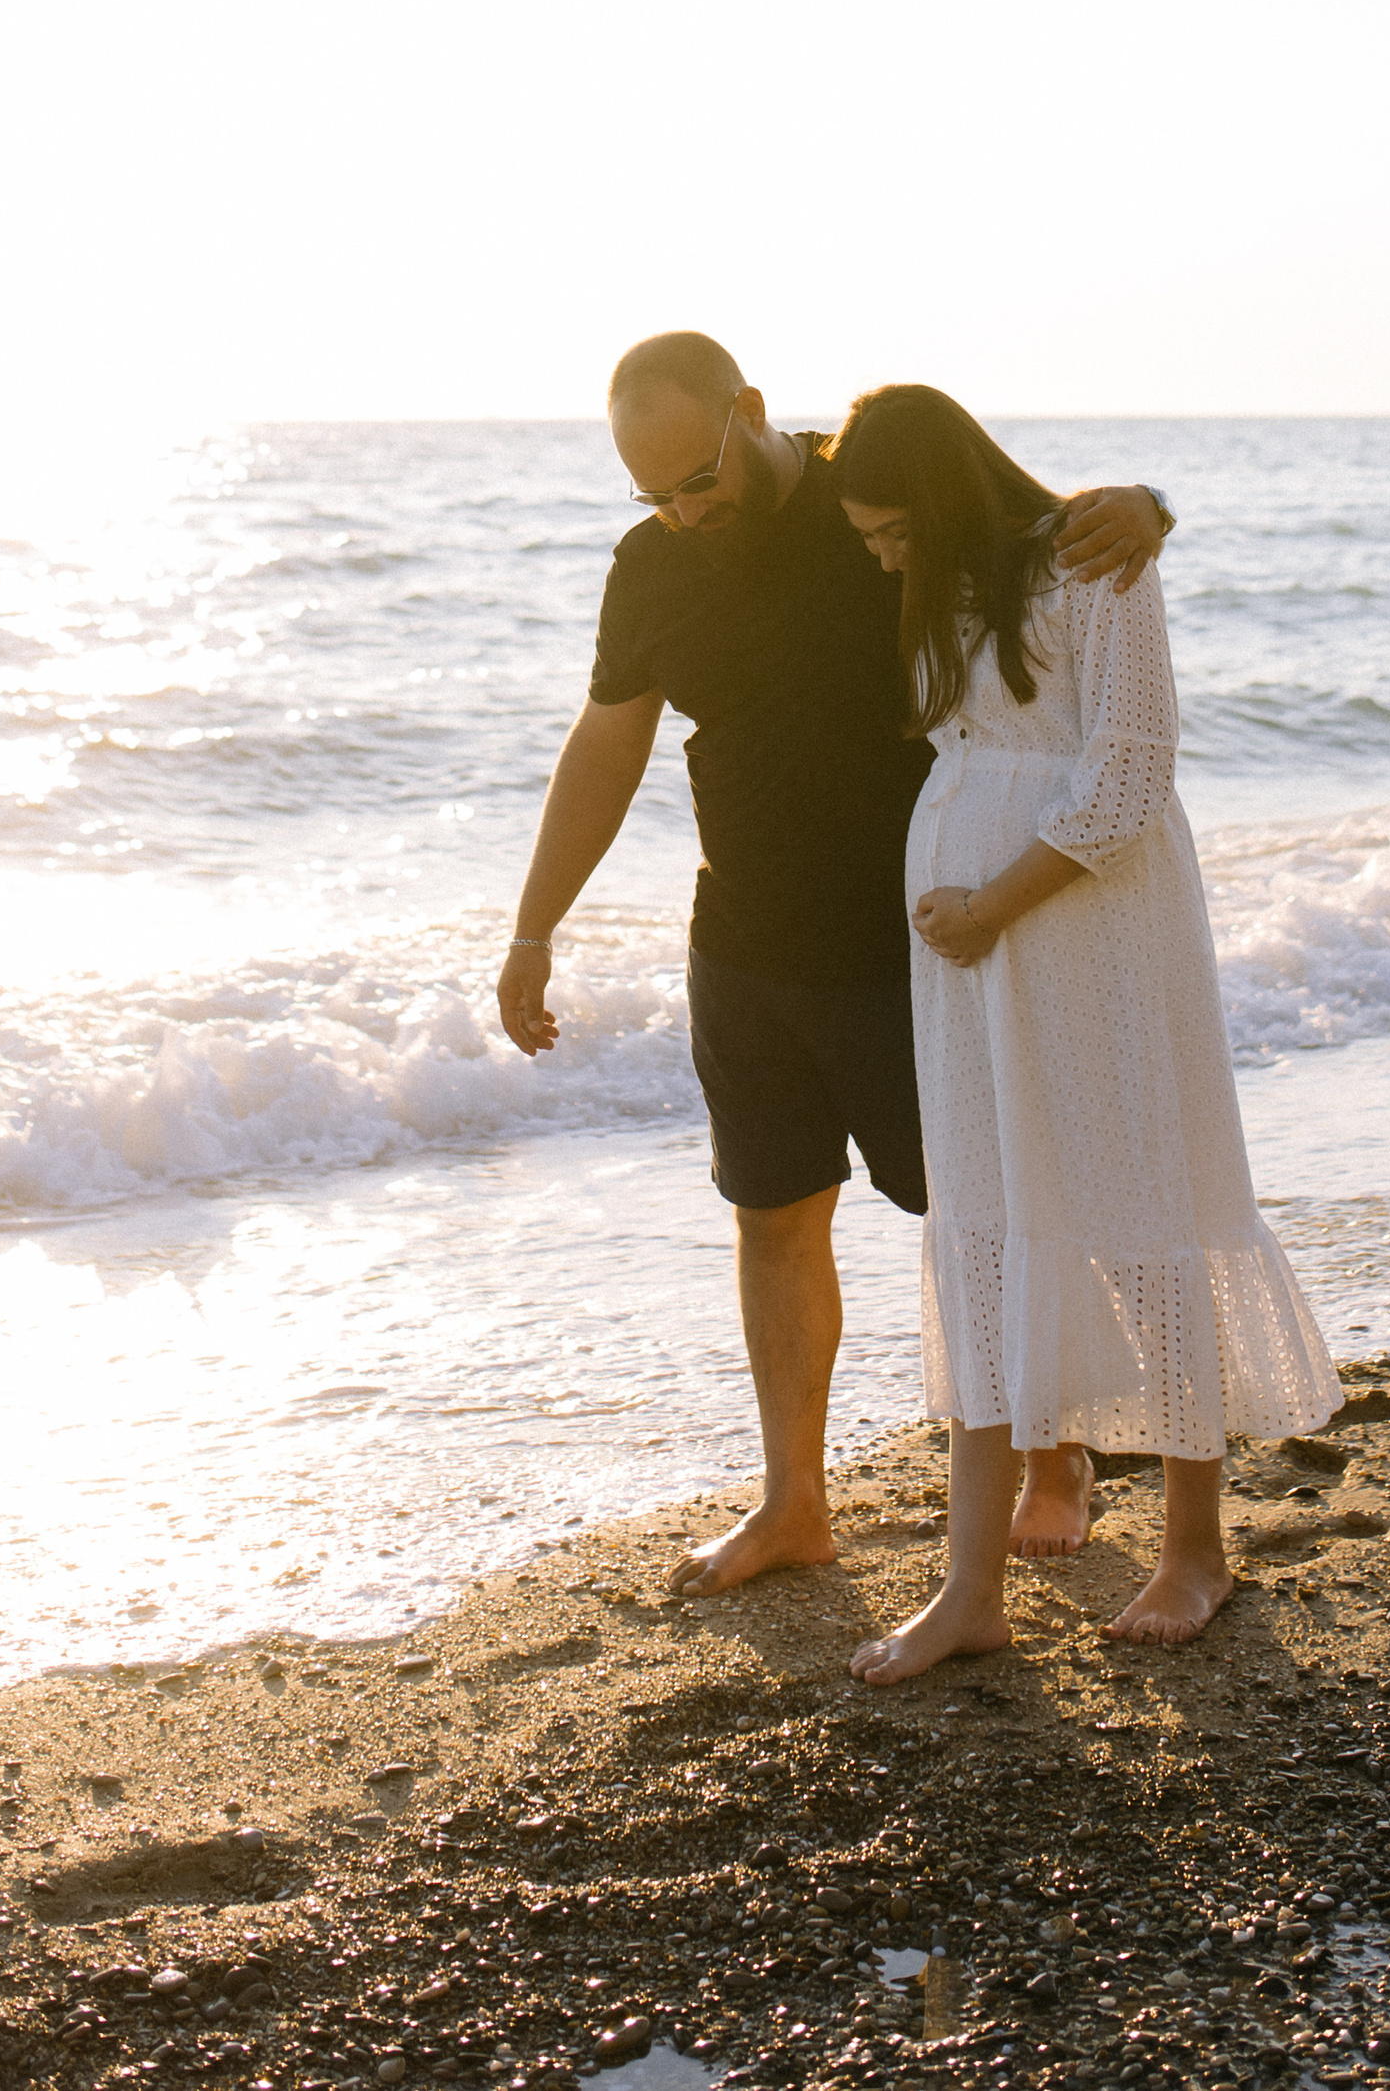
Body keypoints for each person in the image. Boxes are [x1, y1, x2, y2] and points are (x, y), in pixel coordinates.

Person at [495, 330, 1172, 1597]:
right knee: (771, 1214)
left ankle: (1056, 1452)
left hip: (915, 938)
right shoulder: (651, 565)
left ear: (750, 409)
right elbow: (606, 744)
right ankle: (794, 1502)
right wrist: (534, 928)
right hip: (744, 938)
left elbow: (1031, 534)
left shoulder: (874, 504)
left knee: (985, 1213)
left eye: (700, 477)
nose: (685, 513)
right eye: (655, 495)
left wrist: (1149, 506)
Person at [825, 381, 1340, 1677]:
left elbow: (1129, 771)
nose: (877, 553)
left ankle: (1193, 1548)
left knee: (1137, 1207)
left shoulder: (1095, 560)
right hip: (967, 955)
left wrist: (995, 900)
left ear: (938, 499)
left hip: (1087, 927)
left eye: (889, 530)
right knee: (988, 1225)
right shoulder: (941, 582)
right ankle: (970, 1583)